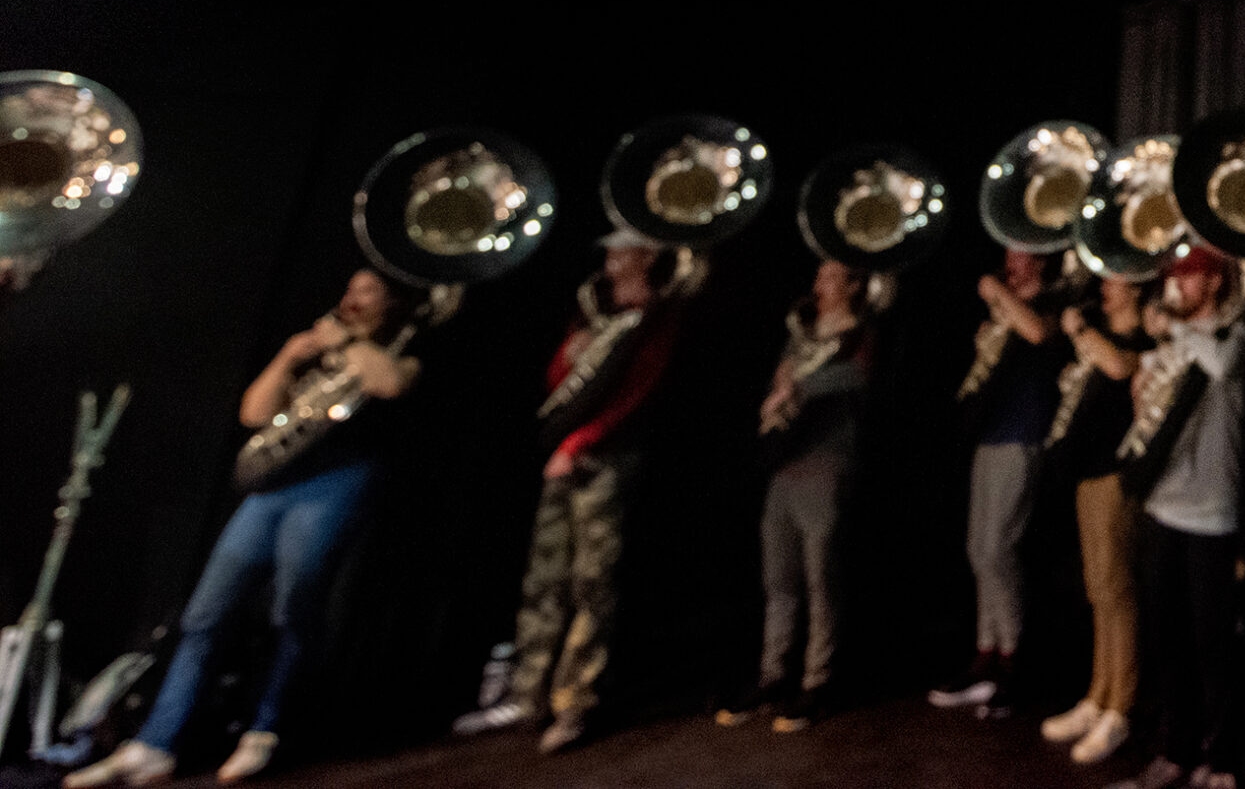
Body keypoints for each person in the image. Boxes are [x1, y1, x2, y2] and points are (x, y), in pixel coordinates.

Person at [71, 270, 424, 786]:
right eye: (348, 287)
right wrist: (289, 354)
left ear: (390, 302)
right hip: (272, 489)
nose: (351, 297)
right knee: (204, 615)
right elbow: (255, 413)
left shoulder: (403, 348)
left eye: (366, 290)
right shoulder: (316, 356)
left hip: (336, 483)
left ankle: (264, 732)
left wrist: (348, 340)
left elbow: (388, 383)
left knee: (294, 609)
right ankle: (154, 745)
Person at [452, 232, 686, 754]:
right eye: (608, 251)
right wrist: (571, 351)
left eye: (621, 253)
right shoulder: (598, 314)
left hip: (607, 459)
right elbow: (559, 379)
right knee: (545, 576)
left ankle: (574, 701)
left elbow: (638, 393)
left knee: (592, 581)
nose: (610, 261)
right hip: (566, 457)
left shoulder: (658, 316)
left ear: (646, 257)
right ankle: (527, 694)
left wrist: (579, 443)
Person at [717, 258, 877, 734]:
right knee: (779, 578)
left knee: (820, 579)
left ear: (852, 285)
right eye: (819, 276)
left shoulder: (861, 332)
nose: (819, 285)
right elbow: (780, 380)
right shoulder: (802, 333)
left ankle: (818, 681)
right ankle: (773, 675)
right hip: (785, 463)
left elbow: (856, 378)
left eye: (831, 277)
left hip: (826, 463)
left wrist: (796, 386)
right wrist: (781, 388)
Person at [1110, 247, 1245, 789]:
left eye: (1185, 278)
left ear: (1212, 282)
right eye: (1171, 279)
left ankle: (1224, 761)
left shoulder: (1231, 337)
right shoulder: (1171, 341)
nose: (1174, 288)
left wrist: (1168, 330)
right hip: (1163, 506)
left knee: (1213, 643)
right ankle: (1176, 751)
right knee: (1169, 641)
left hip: (1211, 512)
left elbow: (1218, 367)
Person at [928, 248, 1062, 717]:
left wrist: (1001, 296)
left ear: (1041, 261)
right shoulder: (1007, 307)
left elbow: (1039, 332)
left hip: (1022, 436)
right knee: (976, 548)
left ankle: (1013, 660)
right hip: (989, 434)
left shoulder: (1055, 298)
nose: (1010, 263)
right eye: (1005, 255)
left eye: (1020, 255)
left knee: (996, 549)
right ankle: (986, 654)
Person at [1038, 274, 1149, 765]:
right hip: (1087, 476)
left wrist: (1080, 332)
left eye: (1116, 277)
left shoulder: (1141, 333)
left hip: (1116, 477)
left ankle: (1120, 707)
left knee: (1116, 589)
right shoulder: (1102, 329)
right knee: (1097, 589)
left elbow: (1122, 366)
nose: (1106, 284)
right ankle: (1096, 695)